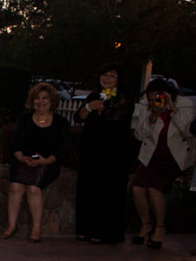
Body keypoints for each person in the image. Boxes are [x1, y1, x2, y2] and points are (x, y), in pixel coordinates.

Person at [130, 78, 196, 249]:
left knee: (154, 188)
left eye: (158, 98)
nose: (154, 101)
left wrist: (173, 111)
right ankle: (146, 225)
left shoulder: (184, 104)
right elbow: (139, 134)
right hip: (151, 153)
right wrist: (153, 115)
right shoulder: (148, 106)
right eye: (151, 99)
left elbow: (189, 132)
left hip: (175, 154)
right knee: (137, 187)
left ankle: (160, 227)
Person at [1, 83, 70, 242]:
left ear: (52, 101)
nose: (41, 102)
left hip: (47, 163)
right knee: (16, 186)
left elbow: (62, 149)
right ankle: (12, 225)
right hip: (24, 160)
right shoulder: (25, 119)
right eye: (37, 99)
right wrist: (20, 157)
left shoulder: (61, 123)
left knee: (33, 188)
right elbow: (15, 143)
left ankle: (37, 228)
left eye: (45, 98)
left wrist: (45, 160)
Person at [74, 64, 133, 244]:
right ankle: (85, 229)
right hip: (91, 150)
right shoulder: (93, 95)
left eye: (112, 76)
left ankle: (105, 232)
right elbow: (78, 117)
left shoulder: (124, 98)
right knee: (88, 189)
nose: (107, 78)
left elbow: (115, 118)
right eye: (104, 74)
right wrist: (91, 107)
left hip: (113, 153)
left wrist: (102, 109)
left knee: (108, 191)